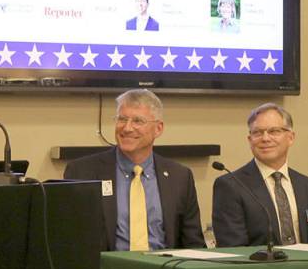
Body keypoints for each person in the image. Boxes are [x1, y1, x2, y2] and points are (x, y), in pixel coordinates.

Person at [63, 89, 203, 251]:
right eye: (122, 119)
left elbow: (194, 244)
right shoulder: (82, 172)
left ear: (158, 128)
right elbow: (69, 240)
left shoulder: (180, 177)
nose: (127, 128)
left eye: (138, 121)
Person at [212, 103, 308, 246]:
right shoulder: (231, 186)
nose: (265, 138)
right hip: (260, 267)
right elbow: (233, 248)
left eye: (274, 131)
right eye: (257, 132)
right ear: (250, 140)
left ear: (290, 137)